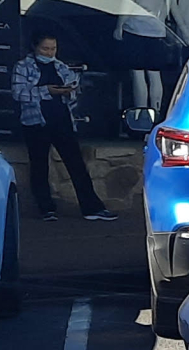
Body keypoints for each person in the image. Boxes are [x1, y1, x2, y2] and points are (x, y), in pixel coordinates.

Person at [10, 37, 113, 222]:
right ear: (35, 47)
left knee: (77, 165)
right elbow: (19, 93)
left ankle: (92, 208)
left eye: (53, 49)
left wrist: (69, 90)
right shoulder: (22, 67)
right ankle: (46, 209)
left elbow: (74, 89)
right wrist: (47, 91)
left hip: (62, 120)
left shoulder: (60, 66)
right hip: (36, 122)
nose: (49, 53)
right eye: (45, 49)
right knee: (40, 166)